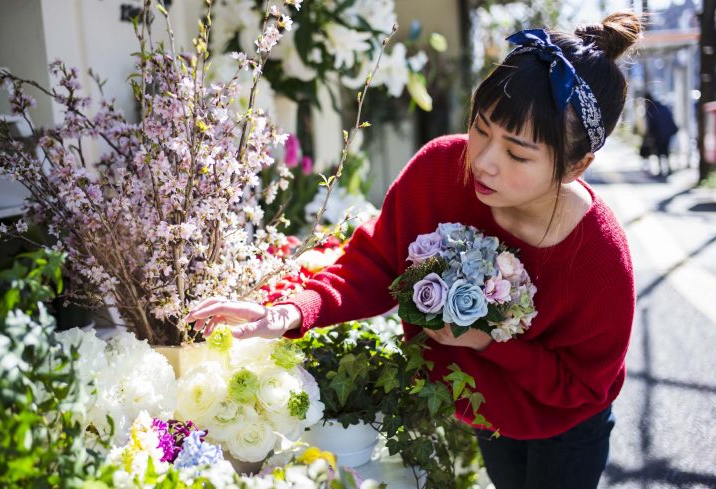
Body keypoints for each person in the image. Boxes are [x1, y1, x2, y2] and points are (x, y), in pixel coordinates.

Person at [187, 12, 641, 489]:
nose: (483, 161)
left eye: (517, 153)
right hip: (489, 409)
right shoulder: (439, 169)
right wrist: (290, 312)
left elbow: (582, 386)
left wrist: (486, 341)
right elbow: (374, 263)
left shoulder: (601, 261)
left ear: (577, 165)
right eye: (481, 128)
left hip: (568, 425)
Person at [640, 93, 678, 176]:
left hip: (658, 134)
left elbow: (651, 124)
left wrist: (649, 136)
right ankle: (668, 169)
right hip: (668, 132)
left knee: (659, 152)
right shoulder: (662, 106)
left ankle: (662, 170)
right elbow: (670, 118)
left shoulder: (650, 110)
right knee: (666, 151)